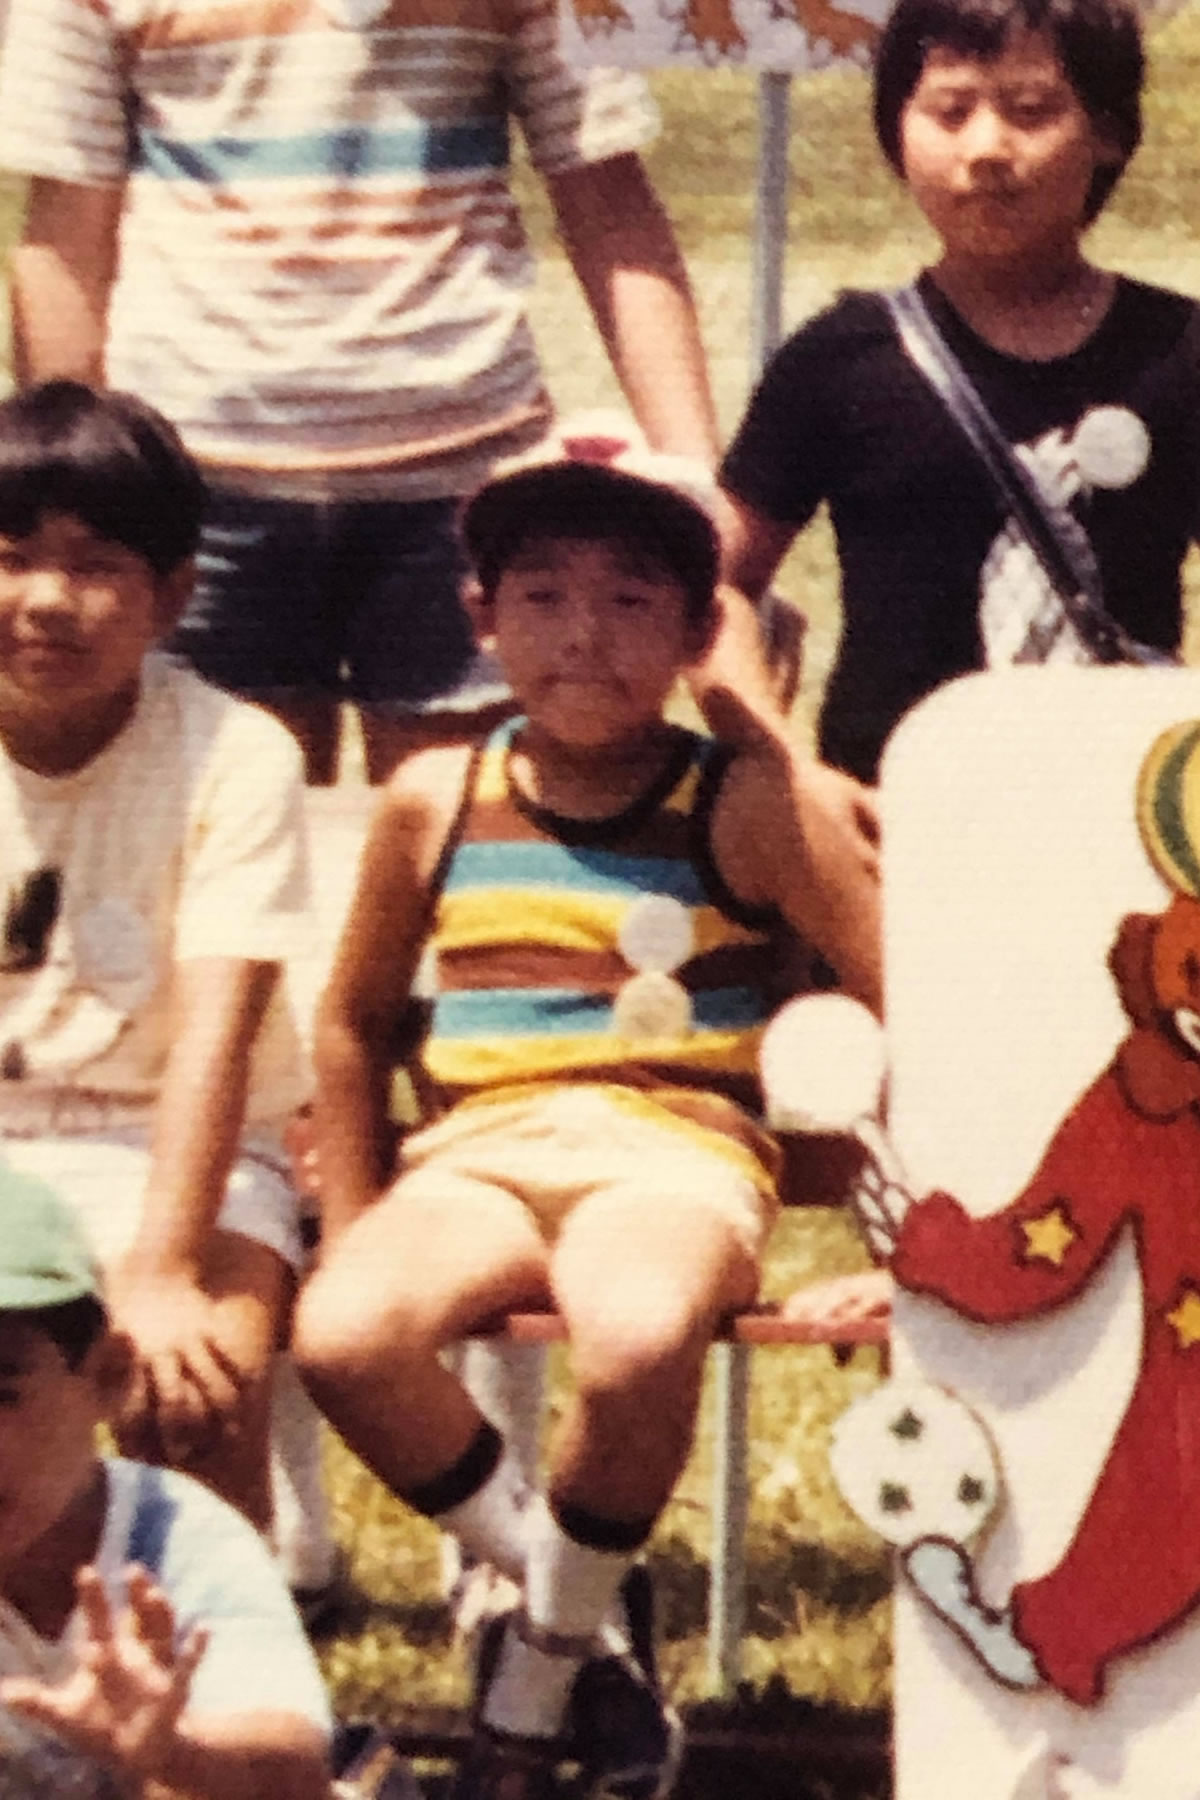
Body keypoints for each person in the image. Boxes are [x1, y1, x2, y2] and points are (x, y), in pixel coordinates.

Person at [293, 452, 883, 1800]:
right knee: (344, 1334)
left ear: (694, 631)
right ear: (481, 616)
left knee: (637, 1336)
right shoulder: (437, 796)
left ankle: (534, 1683)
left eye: (631, 601)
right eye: (543, 596)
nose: (584, 635)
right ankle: (592, 1631)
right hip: (479, 1155)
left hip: (674, 1153)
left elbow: (896, 987)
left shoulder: (741, 801)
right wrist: (356, 1220)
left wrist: (903, 1243)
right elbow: (353, 1021)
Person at [0, 0, 720, 786]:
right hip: (200, 485)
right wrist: (74, 500)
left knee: (472, 825)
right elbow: (64, 230)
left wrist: (699, 485)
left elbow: (611, 210)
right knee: (216, 820)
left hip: (462, 483)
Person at [718, 0, 1200, 786]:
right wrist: (781, 768)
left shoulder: (1177, 350)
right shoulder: (841, 358)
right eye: (950, 112)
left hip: (1113, 803)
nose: (986, 148)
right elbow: (718, 585)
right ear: (895, 130)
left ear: (1108, 132)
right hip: (893, 805)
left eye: (1031, 111)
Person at [0, 378, 313, 1543]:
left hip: (180, 1151)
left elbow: (217, 1039)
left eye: (96, 567)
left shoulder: (234, 753)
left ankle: (227, 1646)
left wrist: (164, 1267)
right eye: (12, 558)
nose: (48, 600)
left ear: (173, 595)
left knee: (188, 1386)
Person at [0, 1162, 332, 1800]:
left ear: (108, 1377)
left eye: (2, 1393)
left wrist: (179, 1751)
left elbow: (293, 1768)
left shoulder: (175, 1538)